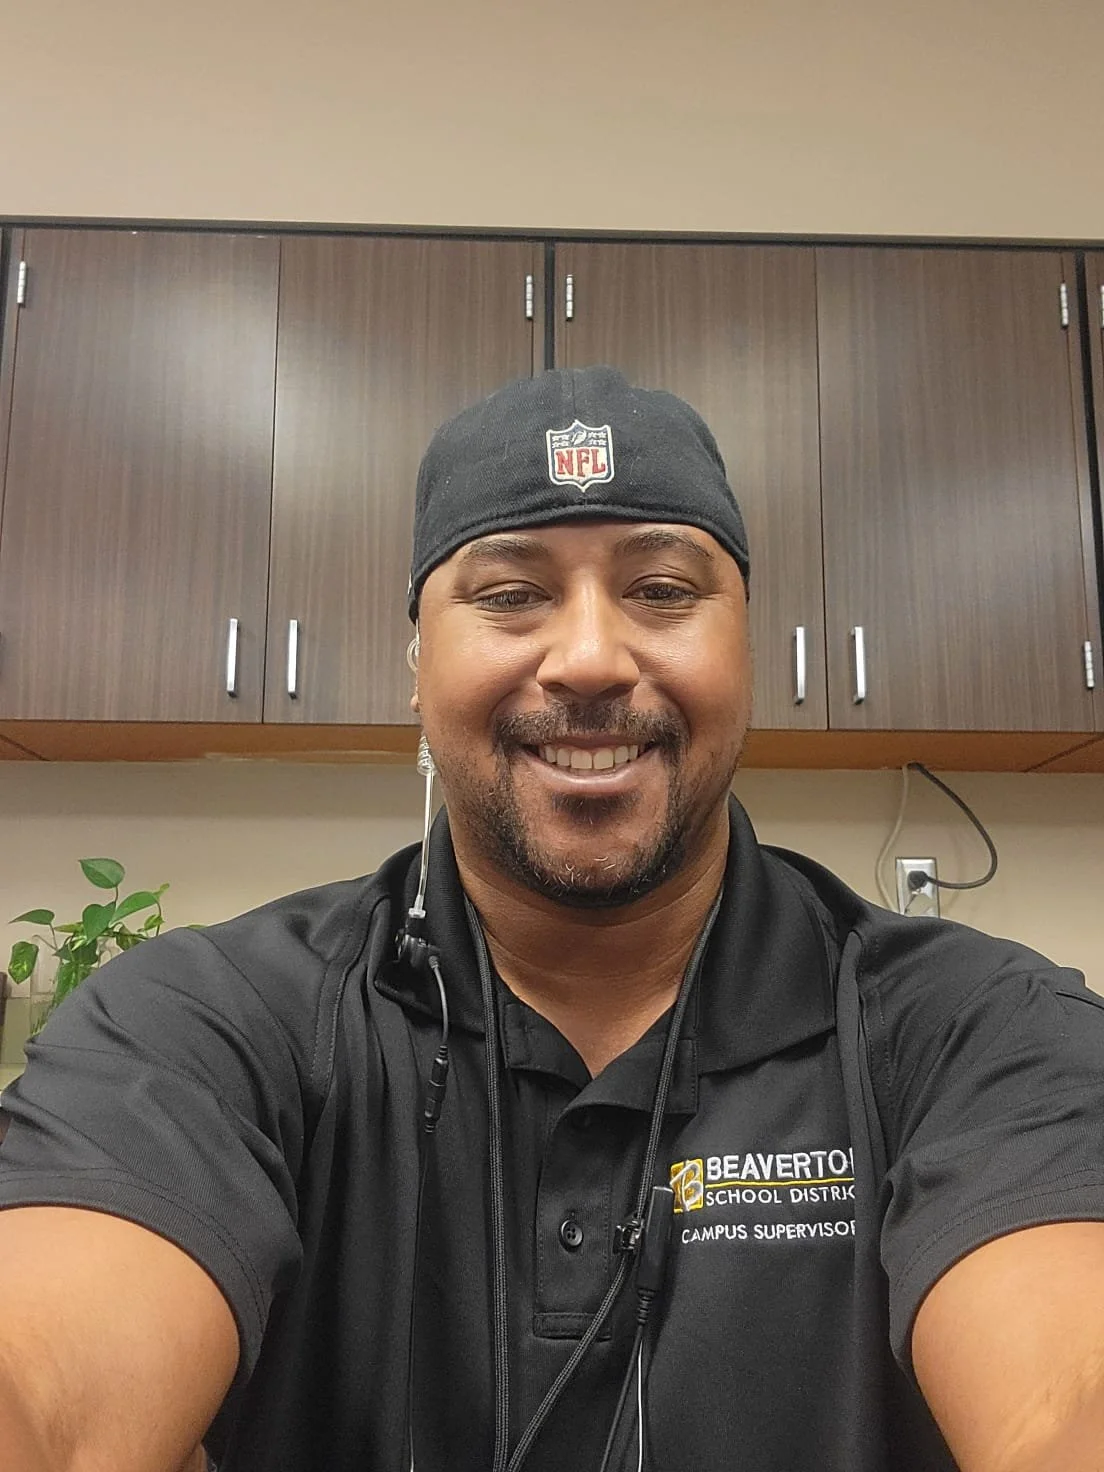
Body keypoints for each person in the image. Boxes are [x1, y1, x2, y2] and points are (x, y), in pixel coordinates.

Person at [2, 366, 1104, 1472]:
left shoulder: (984, 1030)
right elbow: (44, 1394)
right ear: (415, 662)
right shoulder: (211, 1024)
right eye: (510, 593)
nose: (588, 658)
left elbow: (1067, 1392)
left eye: (665, 590)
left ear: (749, 648)